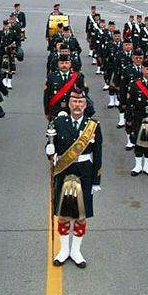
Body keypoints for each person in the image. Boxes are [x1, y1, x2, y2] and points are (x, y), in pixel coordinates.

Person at [45, 87, 102, 268]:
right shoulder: (58, 123)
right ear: (69, 104)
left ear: (85, 105)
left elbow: (98, 154)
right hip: (64, 171)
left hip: (85, 172)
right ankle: (63, 250)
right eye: (74, 102)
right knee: (63, 214)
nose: (77, 105)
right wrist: (49, 151)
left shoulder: (92, 126)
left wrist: (96, 181)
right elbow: (50, 145)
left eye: (80, 102)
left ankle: (76, 251)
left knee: (81, 216)